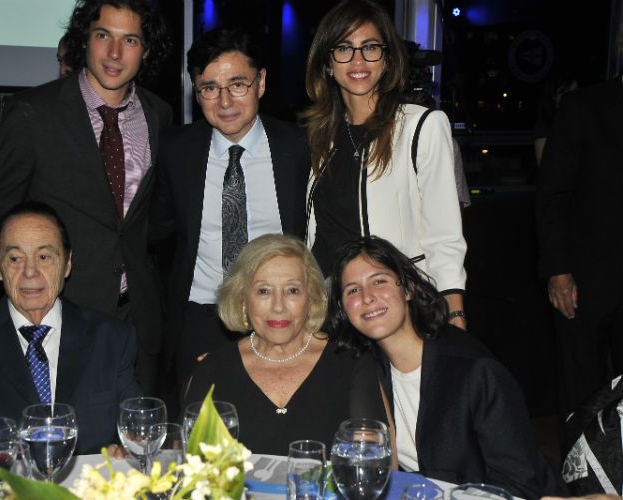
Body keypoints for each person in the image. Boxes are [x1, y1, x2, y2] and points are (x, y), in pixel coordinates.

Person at [0, 0, 173, 395]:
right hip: (60, 316)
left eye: (130, 40)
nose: (114, 53)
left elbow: (151, 221)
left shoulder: (159, 115)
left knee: (137, 444)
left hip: (138, 321)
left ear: (146, 50)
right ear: (84, 40)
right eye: (103, 35)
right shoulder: (32, 113)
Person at [327, 236, 565, 498]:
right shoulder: (366, 366)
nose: (367, 297)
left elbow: (520, 486)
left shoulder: (475, 373)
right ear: (343, 308)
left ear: (408, 289)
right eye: (352, 290)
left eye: (379, 281)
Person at [0, 201, 142, 471]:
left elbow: (136, 434)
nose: (30, 271)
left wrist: (129, 450)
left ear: (67, 264)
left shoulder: (112, 339)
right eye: (15, 258)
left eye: (44, 257)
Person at [150, 28, 310, 388]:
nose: (224, 102)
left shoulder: (300, 147)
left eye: (238, 84)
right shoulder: (176, 150)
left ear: (261, 83)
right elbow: (157, 230)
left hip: (280, 312)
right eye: (209, 88)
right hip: (200, 316)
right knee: (202, 431)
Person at [302, 0, 467, 329]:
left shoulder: (421, 126)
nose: (358, 60)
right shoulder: (318, 135)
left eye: (370, 47)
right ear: (326, 63)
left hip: (395, 310)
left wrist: (455, 312)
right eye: (344, 48)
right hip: (329, 309)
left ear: (388, 59)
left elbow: (444, 236)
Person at [183, 234, 385, 455]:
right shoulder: (213, 369)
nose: (278, 306)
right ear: (242, 299)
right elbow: (188, 466)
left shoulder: (351, 362)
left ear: (312, 298)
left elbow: (371, 464)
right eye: (263, 291)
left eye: (292, 290)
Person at [536, 75, 623, 419]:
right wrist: (557, 270)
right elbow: (552, 194)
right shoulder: (584, 105)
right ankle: (580, 470)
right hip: (585, 279)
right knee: (582, 391)